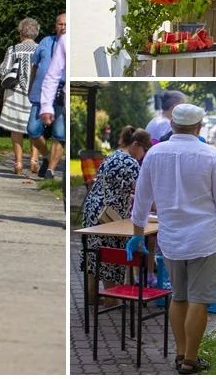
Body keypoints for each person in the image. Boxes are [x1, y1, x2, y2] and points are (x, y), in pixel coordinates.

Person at [128, 104, 216, 374]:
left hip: (170, 239)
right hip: (203, 239)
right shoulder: (210, 155)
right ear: (199, 127)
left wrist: (137, 235)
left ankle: (180, 353)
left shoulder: (155, 153)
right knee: (199, 300)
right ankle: (190, 360)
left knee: (178, 297)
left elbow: (142, 200)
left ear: (172, 126)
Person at [80, 126, 153, 304]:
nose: (143, 155)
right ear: (136, 144)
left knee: (95, 254)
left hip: (93, 209)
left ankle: (91, 295)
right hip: (110, 215)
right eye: (144, 150)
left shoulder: (112, 156)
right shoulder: (130, 162)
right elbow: (142, 193)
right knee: (111, 254)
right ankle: (111, 298)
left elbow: (114, 186)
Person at [0, 17, 40, 175]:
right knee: (34, 129)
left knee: (16, 129)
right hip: (34, 92)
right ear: (35, 33)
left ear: (20, 32)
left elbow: (4, 71)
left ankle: (18, 163)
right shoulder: (40, 49)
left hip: (15, 93)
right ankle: (34, 160)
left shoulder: (13, 49)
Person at [28, 13, 66, 179]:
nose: (63, 27)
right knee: (33, 130)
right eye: (60, 24)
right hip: (40, 92)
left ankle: (50, 170)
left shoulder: (69, 43)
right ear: (55, 25)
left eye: (66, 24)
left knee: (59, 133)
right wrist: (31, 87)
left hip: (62, 93)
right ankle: (46, 155)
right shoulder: (45, 42)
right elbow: (35, 67)